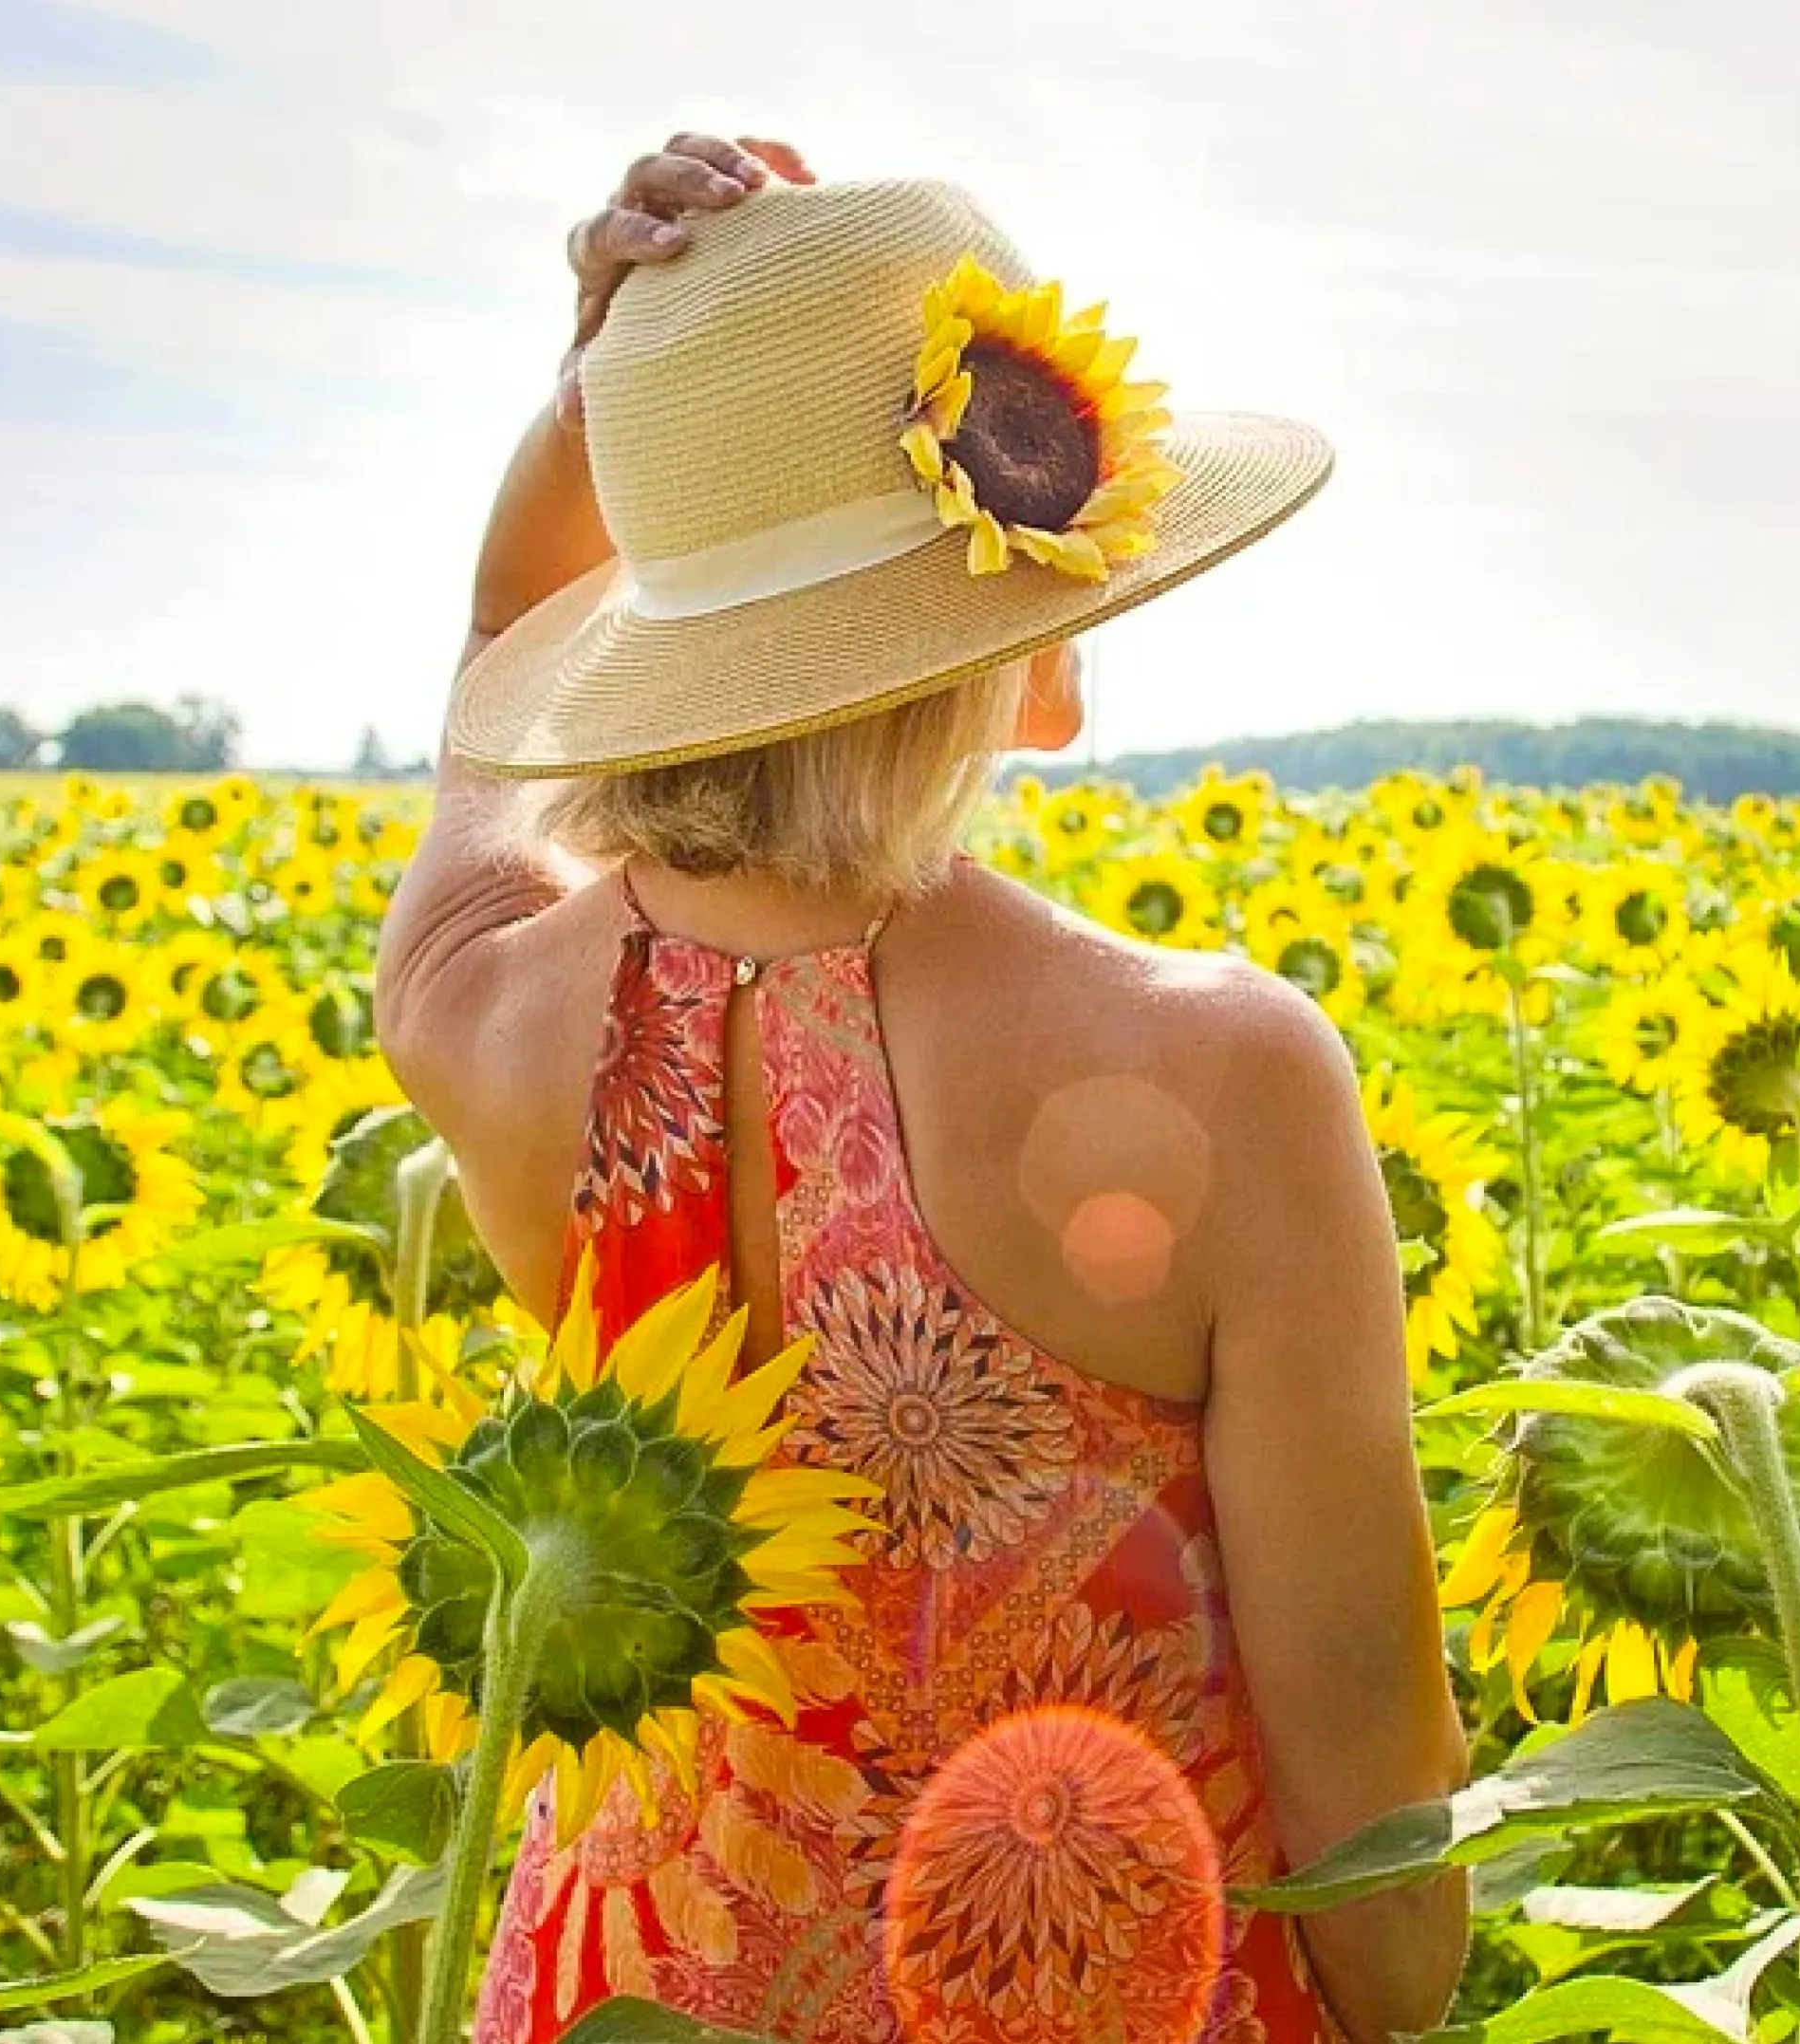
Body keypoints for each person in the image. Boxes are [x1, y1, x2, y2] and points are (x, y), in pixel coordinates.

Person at [380, 132, 1466, 2044]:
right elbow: (1364, 1762)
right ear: (1017, 620)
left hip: (620, 1996)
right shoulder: (1220, 1072)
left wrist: (605, 398)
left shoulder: (478, 1006)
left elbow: (491, 675)